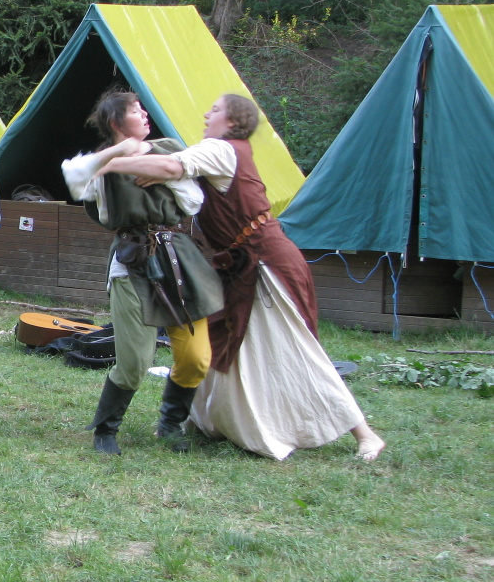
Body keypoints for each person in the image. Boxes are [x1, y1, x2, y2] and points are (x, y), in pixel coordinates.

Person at [94, 94, 386, 461]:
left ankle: (365, 433)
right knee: (229, 346)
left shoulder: (220, 148)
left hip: (265, 262)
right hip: (236, 264)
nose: (207, 113)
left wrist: (110, 164)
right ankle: (201, 421)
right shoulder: (214, 150)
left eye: (215, 110)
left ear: (232, 121)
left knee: (296, 349)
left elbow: (172, 166)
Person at [62, 90, 223, 454]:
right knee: (135, 362)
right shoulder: (101, 162)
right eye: (136, 111)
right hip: (131, 261)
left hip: (178, 258)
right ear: (116, 121)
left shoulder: (168, 149)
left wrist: (155, 169)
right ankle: (105, 430)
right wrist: (121, 154)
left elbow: (193, 201)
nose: (145, 114)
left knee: (196, 358)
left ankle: (170, 424)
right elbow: (74, 176)